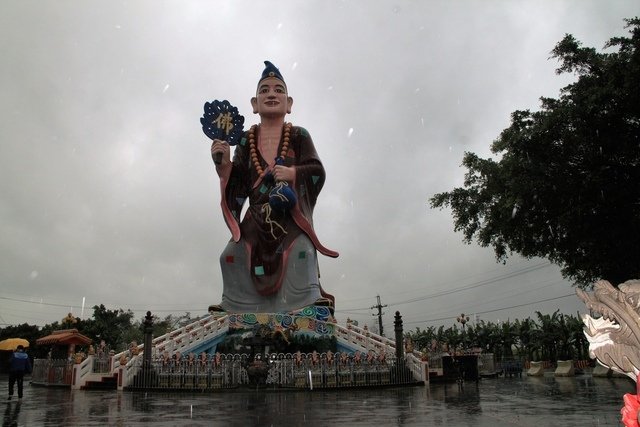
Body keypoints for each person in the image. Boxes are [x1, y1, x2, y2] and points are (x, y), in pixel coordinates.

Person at [210, 60, 338, 314]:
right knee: (230, 256)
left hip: (289, 216)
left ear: (289, 104)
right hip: (257, 217)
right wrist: (224, 166)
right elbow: (240, 182)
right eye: (264, 90)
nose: (271, 94)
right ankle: (237, 305)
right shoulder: (246, 140)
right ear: (254, 104)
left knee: (301, 252)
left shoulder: (299, 135)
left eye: (279, 90)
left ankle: (306, 302)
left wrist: (293, 173)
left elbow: (317, 171)